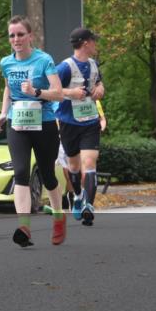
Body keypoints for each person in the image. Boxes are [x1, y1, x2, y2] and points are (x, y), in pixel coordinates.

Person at [0, 15, 67, 247]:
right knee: (20, 172)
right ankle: (24, 227)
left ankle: (59, 217)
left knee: (47, 175)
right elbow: (8, 89)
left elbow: (59, 94)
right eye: (12, 35)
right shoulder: (6, 63)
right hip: (17, 123)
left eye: (20, 34)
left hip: (44, 123)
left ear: (30, 36)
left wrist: (36, 91)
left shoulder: (43, 60)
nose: (16, 39)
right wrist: (3, 113)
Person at [55, 28, 106, 227]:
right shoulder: (65, 67)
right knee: (74, 167)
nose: (96, 44)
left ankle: (89, 207)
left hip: (91, 122)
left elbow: (100, 84)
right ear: (86, 43)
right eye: (94, 41)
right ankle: (77, 195)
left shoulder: (94, 64)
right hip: (69, 123)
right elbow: (51, 90)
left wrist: (99, 90)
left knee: (90, 163)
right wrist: (71, 93)